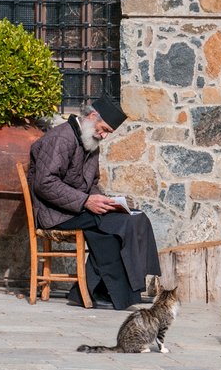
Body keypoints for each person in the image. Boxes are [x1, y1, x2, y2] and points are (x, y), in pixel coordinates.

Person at [27, 95, 161, 310]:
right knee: (120, 225)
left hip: (76, 208)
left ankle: (92, 292)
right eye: (104, 129)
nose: (104, 135)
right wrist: (86, 201)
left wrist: (104, 201)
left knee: (135, 218)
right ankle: (104, 292)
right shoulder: (62, 138)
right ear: (91, 117)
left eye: (108, 132)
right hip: (55, 213)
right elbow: (45, 183)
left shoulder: (90, 139)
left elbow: (92, 183)